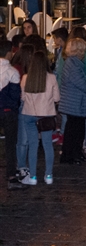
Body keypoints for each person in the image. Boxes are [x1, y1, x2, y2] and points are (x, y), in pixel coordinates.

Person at [18, 50, 59, 185]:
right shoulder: (52, 78)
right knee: (47, 145)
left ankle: (33, 177)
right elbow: (57, 98)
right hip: (46, 115)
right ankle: (48, 175)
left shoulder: (25, 78)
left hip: (29, 114)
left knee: (32, 145)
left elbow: (23, 98)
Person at [59, 38, 86, 165]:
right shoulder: (73, 64)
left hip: (74, 102)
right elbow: (81, 82)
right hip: (73, 102)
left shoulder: (73, 63)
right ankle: (71, 155)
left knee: (76, 129)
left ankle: (75, 154)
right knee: (74, 130)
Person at [0, 39, 23, 190]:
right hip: (8, 111)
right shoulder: (12, 72)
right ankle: (11, 176)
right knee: (10, 143)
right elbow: (15, 96)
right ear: (9, 53)